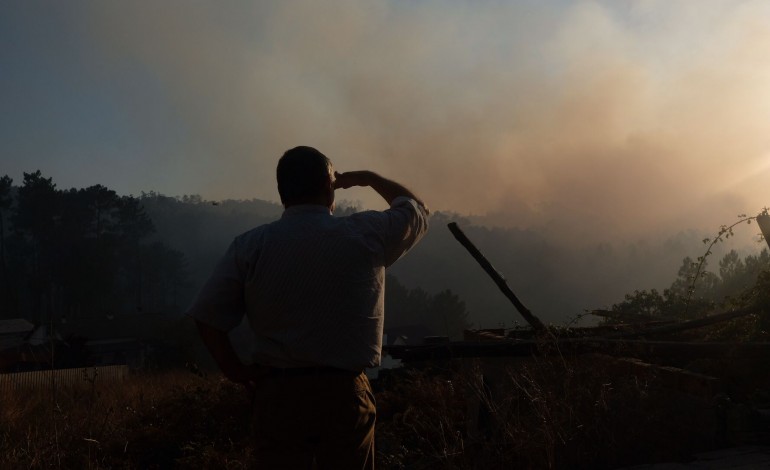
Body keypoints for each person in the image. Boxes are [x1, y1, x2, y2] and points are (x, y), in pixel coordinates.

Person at [188, 146, 429, 469]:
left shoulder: (250, 245)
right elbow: (416, 209)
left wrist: (236, 371)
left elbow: (207, 317)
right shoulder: (365, 233)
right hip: (344, 394)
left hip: (278, 396)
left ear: (282, 192)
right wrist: (369, 179)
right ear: (329, 187)